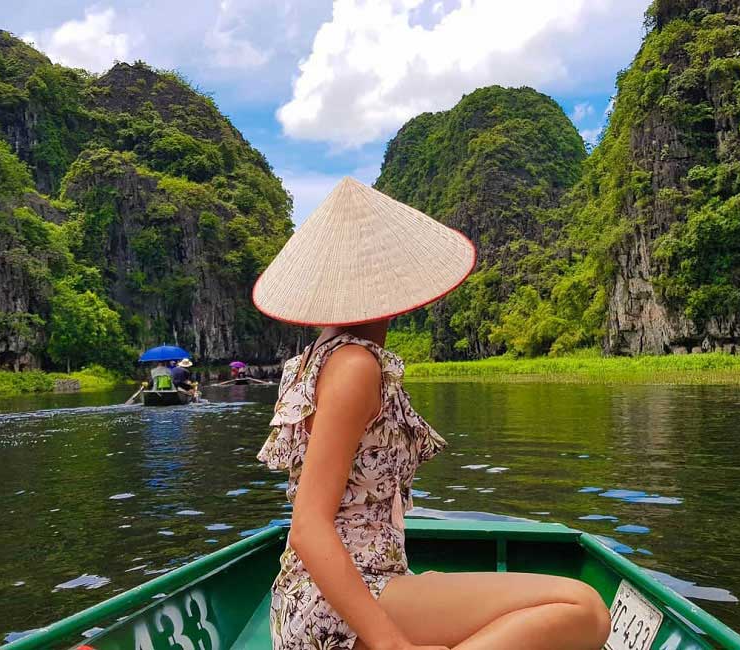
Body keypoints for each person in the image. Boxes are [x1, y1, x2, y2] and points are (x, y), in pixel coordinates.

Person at [253, 178, 610, 650]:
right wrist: (394, 645)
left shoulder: (323, 356)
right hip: (332, 603)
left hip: (347, 586)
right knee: (582, 608)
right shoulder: (354, 365)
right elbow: (307, 528)